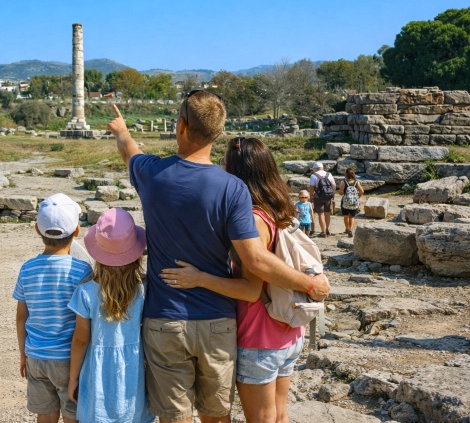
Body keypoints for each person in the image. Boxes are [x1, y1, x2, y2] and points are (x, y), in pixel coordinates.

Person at [107, 95, 330, 423]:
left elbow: (130, 152)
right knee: (217, 416)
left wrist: (122, 131)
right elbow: (254, 260)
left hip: (165, 318)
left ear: (181, 126)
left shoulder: (152, 173)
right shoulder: (234, 188)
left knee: (174, 417)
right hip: (218, 322)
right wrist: (311, 284)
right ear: (218, 132)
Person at [161, 137, 307, 423]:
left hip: (259, 335)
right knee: (279, 416)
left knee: (263, 418)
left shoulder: (252, 220)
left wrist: (199, 278)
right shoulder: (276, 210)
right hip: (286, 330)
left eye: (224, 165)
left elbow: (252, 290)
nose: (220, 170)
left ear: (238, 174)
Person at [67, 208, 155, 423]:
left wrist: (72, 378)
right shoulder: (145, 289)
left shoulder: (86, 291)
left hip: (97, 370)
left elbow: (80, 339)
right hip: (134, 368)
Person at [13, 193, 93, 423]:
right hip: (69, 359)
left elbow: (21, 316)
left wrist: (23, 354)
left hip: (36, 356)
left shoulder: (27, 269)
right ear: (77, 230)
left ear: (37, 229)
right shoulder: (83, 271)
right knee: (72, 413)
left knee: (45, 415)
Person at [309, 161, 335, 237]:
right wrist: (331, 194)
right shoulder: (329, 174)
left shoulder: (313, 176)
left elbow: (311, 188)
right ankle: (327, 229)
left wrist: (311, 197)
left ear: (315, 169)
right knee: (327, 213)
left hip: (318, 197)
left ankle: (323, 232)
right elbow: (334, 185)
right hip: (328, 197)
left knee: (321, 214)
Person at [339, 167, 364, 238]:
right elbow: (362, 191)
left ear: (346, 174)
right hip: (354, 202)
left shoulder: (343, 182)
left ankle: (347, 229)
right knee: (352, 217)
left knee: (346, 216)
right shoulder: (357, 182)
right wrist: (357, 197)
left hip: (345, 202)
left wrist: (341, 191)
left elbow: (341, 193)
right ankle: (351, 229)